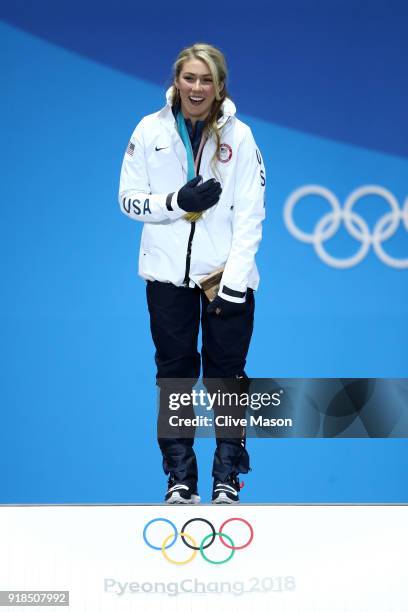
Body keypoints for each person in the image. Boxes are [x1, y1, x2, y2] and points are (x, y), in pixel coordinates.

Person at [118, 43, 266, 504]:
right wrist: (174, 204)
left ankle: (227, 477)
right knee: (175, 377)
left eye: (207, 80)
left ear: (220, 85)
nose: (197, 88)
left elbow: (251, 216)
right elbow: (128, 199)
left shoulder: (240, 138)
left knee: (227, 376)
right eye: (189, 78)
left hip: (224, 277)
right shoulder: (150, 130)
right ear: (176, 80)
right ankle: (180, 478)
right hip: (166, 280)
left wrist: (236, 285)